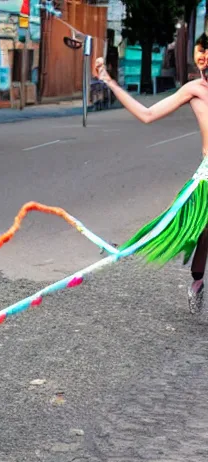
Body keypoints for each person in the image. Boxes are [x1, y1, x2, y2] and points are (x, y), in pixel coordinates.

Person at [95, 33, 208, 314]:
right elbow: (147, 114)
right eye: (199, 51)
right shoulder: (194, 89)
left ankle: (197, 279)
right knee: (202, 230)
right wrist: (109, 81)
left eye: (207, 51)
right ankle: (197, 281)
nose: (202, 56)